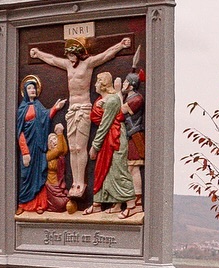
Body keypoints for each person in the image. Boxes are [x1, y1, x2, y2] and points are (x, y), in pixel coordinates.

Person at [26, 31, 132, 205]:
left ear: (80, 53)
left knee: (79, 147)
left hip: (83, 107)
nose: (70, 57)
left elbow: (105, 55)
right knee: (72, 148)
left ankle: (80, 182)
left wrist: (120, 45)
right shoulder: (68, 65)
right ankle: (74, 182)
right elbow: (52, 60)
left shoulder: (88, 64)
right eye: (68, 54)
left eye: (72, 54)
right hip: (72, 109)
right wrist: (38, 54)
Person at [85, 71, 138, 215]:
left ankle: (131, 206)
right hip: (108, 138)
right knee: (104, 171)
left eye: (97, 82)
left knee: (118, 171)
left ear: (103, 85)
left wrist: (94, 146)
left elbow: (105, 124)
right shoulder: (105, 100)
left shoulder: (112, 100)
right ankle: (100, 204)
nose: (95, 85)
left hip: (115, 139)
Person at [15, 75, 63, 214]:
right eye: (29, 88)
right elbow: (20, 132)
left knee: (39, 175)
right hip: (28, 148)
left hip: (39, 145)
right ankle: (23, 204)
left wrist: (55, 108)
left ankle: (41, 204)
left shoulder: (38, 106)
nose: (32, 90)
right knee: (27, 176)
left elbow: (45, 117)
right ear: (25, 90)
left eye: (34, 88)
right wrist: (25, 152)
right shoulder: (22, 109)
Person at [122, 68, 145, 212]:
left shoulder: (137, 99)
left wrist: (117, 92)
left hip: (135, 136)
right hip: (129, 135)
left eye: (125, 82)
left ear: (130, 85)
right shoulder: (130, 97)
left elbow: (122, 110)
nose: (123, 84)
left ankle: (137, 203)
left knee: (133, 168)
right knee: (130, 168)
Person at [44, 123, 70, 212]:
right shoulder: (49, 155)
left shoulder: (60, 155)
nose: (54, 141)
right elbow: (59, 149)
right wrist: (59, 133)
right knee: (61, 204)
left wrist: (61, 135)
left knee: (66, 201)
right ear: (49, 144)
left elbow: (64, 149)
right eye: (51, 141)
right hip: (51, 184)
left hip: (59, 183)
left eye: (55, 139)